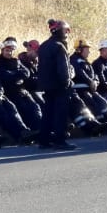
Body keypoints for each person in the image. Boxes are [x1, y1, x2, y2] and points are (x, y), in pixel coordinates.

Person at [36, 19, 76, 150]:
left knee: (47, 113)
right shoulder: (60, 46)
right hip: (59, 86)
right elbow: (63, 69)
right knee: (60, 114)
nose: (67, 33)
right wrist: (68, 82)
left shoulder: (43, 46)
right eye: (66, 30)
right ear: (61, 31)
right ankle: (60, 140)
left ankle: (44, 140)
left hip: (47, 86)